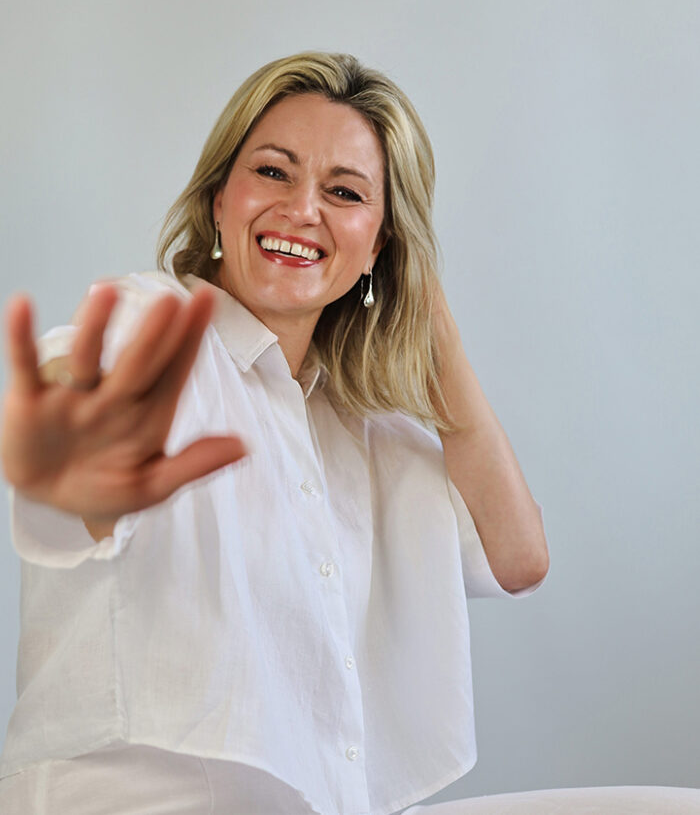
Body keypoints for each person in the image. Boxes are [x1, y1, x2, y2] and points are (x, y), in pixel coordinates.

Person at [0, 52, 549, 814]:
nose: (301, 210)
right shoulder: (159, 324)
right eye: (272, 173)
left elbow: (517, 557)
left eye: (345, 192)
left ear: (379, 246)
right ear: (220, 198)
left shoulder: (364, 431)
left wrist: (437, 334)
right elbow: (75, 397)